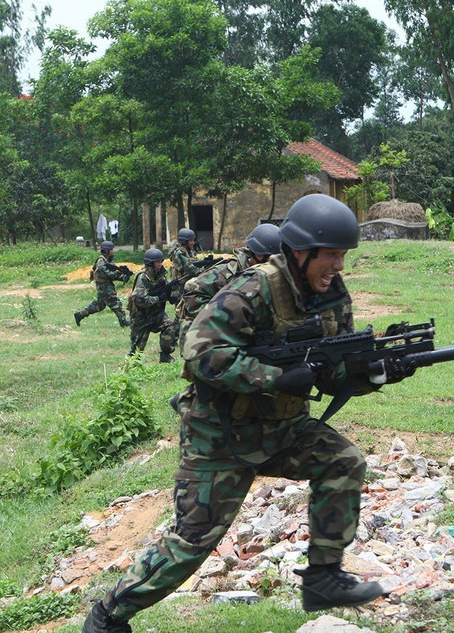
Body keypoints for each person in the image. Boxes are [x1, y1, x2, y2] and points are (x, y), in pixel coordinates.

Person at [83, 195, 385, 632]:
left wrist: (366, 373)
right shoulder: (252, 288)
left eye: (343, 255)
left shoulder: (332, 294)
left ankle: (323, 578)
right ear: (300, 252)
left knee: (344, 462)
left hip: (282, 428)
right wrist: (272, 377)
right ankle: (108, 616)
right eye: (332, 254)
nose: (339, 265)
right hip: (218, 434)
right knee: (191, 543)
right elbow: (198, 352)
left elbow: (332, 372)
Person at [175, 222, 281, 351]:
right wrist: (224, 317)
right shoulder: (228, 271)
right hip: (199, 334)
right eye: (273, 258)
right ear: (259, 255)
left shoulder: (265, 273)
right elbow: (191, 290)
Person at [127, 248, 179, 362]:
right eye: (157, 262)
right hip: (141, 318)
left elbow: (167, 294)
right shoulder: (143, 277)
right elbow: (138, 299)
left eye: (161, 261)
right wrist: (158, 298)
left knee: (171, 326)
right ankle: (131, 366)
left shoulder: (161, 276)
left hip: (156, 315)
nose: (160, 264)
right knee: (136, 352)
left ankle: (165, 356)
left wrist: (171, 293)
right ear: (150, 263)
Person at [74, 241, 130, 328]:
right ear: (107, 251)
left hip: (104, 286)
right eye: (111, 250)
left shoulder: (105, 261)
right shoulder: (101, 261)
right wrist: (117, 274)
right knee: (115, 303)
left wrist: (122, 276)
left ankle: (80, 314)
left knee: (99, 305)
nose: (113, 252)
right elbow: (104, 273)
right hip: (104, 286)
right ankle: (123, 322)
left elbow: (110, 272)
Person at [167, 228, 203, 295]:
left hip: (187, 282)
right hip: (180, 284)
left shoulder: (190, 251)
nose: (193, 243)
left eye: (193, 240)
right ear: (184, 242)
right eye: (191, 241)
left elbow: (195, 262)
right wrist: (203, 269)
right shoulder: (179, 253)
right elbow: (190, 268)